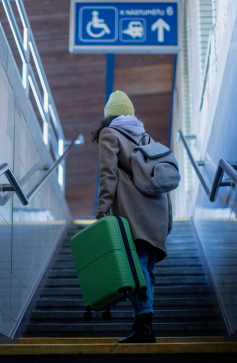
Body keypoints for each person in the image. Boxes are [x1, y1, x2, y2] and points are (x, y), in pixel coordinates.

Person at [92, 90, 173, 344]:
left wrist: (102, 210)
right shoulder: (147, 137)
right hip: (157, 212)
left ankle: (144, 327)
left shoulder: (110, 134)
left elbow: (108, 175)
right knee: (146, 268)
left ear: (109, 115)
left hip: (134, 214)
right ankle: (144, 323)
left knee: (136, 267)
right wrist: (168, 219)